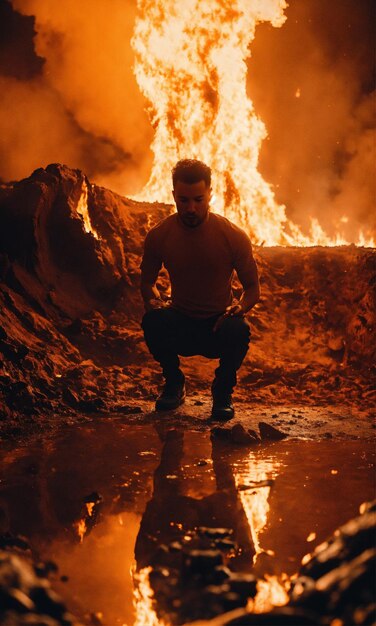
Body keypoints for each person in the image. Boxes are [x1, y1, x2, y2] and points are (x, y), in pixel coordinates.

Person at [140, 159, 260, 420]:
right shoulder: (160, 235)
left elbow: (252, 288)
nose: (191, 208)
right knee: (153, 321)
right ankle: (174, 382)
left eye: (198, 199)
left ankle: (222, 390)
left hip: (217, 325)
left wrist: (239, 308)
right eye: (183, 200)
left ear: (210, 195)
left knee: (239, 329)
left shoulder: (232, 236)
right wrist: (154, 300)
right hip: (180, 321)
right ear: (173, 196)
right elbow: (147, 282)